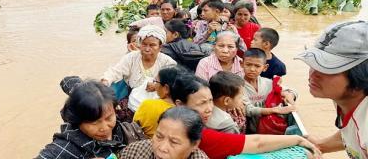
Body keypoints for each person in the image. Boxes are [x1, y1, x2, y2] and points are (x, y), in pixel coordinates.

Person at [170, 72, 321, 159]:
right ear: (180, 104)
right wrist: (297, 139)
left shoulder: (170, 119)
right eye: (202, 103)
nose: (209, 108)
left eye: (210, 101)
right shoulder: (205, 133)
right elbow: (255, 143)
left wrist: (287, 92)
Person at [295, 20, 368, 159]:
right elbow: (351, 130)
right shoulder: (345, 98)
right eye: (314, 63)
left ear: (361, 76)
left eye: (327, 68)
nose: (313, 73)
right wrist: (319, 145)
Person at [36, 80, 127, 159]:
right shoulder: (68, 146)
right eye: (94, 123)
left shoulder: (118, 125)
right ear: (77, 121)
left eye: (108, 118)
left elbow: (69, 81)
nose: (104, 128)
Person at [101, 25, 176, 114]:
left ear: (160, 47)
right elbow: (115, 71)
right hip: (133, 100)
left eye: (152, 45)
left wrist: (157, 86)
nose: (147, 49)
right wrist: (105, 81)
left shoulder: (168, 62)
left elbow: (173, 83)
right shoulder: (131, 58)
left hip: (158, 102)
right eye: (144, 44)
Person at [241, 48, 297, 134]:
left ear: (265, 67)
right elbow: (248, 110)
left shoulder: (268, 83)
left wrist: (289, 95)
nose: (252, 69)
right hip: (249, 130)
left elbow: (293, 91)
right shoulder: (237, 85)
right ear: (241, 64)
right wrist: (275, 110)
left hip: (269, 127)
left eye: (257, 66)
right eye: (248, 65)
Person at [121, 107, 209, 159]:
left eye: (174, 142)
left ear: (194, 145)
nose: (162, 148)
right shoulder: (134, 151)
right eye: (159, 136)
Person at [133, 67, 177, 138]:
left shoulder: (148, 105)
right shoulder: (187, 109)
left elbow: (134, 128)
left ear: (166, 88)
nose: (155, 85)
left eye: (156, 82)